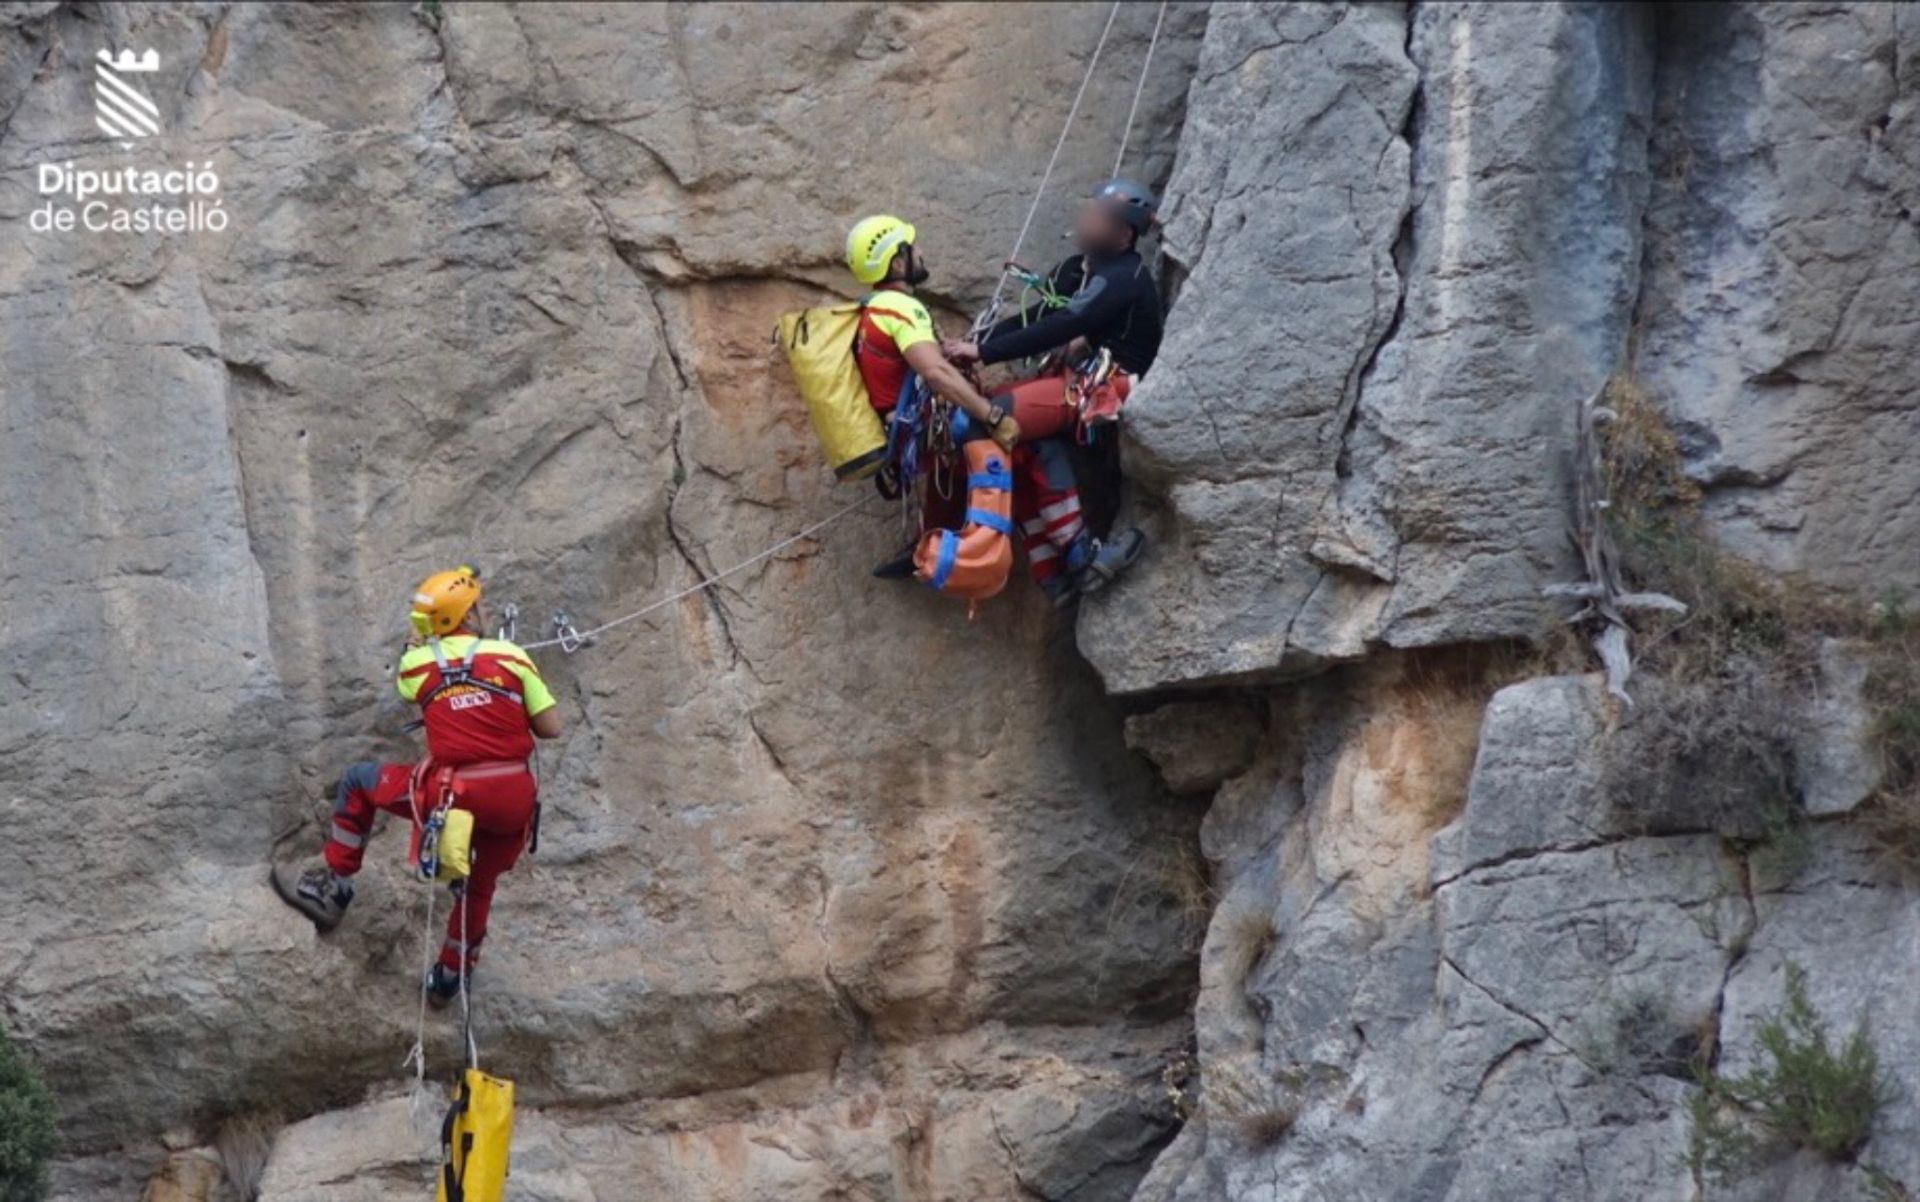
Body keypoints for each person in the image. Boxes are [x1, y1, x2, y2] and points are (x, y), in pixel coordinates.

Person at [272, 566, 561, 1007]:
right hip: (511, 799)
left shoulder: (419, 665)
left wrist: (416, 638)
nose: (483, 609)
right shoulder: (512, 657)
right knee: (479, 887)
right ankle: (449, 976)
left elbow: (409, 683)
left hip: (453, 795)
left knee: (360, 782)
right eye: (478, 605)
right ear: (467, 614)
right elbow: (550, 728)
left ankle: (337, 885)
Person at [944, 179, 1164, 606]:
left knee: (983, 419)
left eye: (1099, 217)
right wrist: (972, 343)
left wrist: (983, 352)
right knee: (1020, 444)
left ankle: (1079, 553)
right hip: (1082, 380)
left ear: (1123, 235)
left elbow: (1063, 324)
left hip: (1109, 385)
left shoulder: (1122, 278)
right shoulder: (1083, 270)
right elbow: (1039, 314)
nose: (1086, 220)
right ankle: (1054, 568)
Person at [845, 214, 1020, 578]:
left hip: (899, 428)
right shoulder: (901, 308)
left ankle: (928, 541)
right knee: (1015, 441)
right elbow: (935, 373)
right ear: (898, 262)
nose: (921, 252)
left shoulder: (871, 307)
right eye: (914, 247)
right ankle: (997, 547)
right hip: (917, 427)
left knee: (962, 449)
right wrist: (992, 417)